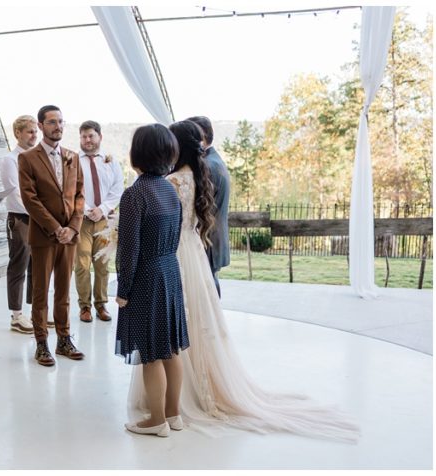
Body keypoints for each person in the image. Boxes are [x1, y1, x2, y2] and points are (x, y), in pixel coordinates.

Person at [126, 120, 360, 442]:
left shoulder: (168, 183)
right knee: (186, 336)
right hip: (190, 254)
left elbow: (143, 233)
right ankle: (174, 410)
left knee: (161, 340)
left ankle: (165, 410)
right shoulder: (201, 174)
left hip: (168, 256)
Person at [115, 123, 189, 437]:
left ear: (138, 153)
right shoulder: (169, 190)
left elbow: (128, 248)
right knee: (170, 348)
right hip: (170, 272)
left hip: (147, 276)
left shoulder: (135, 194)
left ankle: (156, 419)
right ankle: (174, 415)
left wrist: (123, 289)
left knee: (150, 353)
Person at [17, 105, 85, 367]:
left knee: (64, 292)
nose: (58, 126)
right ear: (41, 125)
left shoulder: (72, 156)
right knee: (41, 292)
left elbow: (80, 195)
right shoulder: (28, 158)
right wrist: (56, 228)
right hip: (45, 236)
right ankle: (42, 343)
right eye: (52, 122)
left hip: (69, 237)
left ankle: (64, 339)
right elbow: (30, 199)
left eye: (61, 122)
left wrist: (73, 228)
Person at [74, 121, 123, 323]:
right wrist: (87, 210)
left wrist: (102, 210)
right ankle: (84, 306)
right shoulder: (74, 161)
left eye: (91, 136)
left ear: (99, 137)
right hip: (81, 220)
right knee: (83, 264)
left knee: (102, 265)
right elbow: (70, 190)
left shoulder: (111, 162)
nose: (87, 140)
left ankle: (101, 305)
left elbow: (117, 188)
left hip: (105, 221)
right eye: (84, 136)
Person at [0, 115, 37, 334]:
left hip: (38, 219)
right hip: (20, 219)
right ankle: (16, 315)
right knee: (19, 265)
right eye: (30, 131)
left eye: (35, 132)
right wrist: (40, 213)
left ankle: (34, 311)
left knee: (36, 266)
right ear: (18, 133)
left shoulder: (36, 158)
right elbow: (16, 193)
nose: (34, 136)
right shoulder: (10, 160)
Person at [185, 116, 230, 296]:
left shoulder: (207, 166)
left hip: (207, 238)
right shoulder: (214, 161)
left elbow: (198, 207)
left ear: (201, 137)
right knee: (210, 286)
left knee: (207, 292)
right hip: (213, 237)